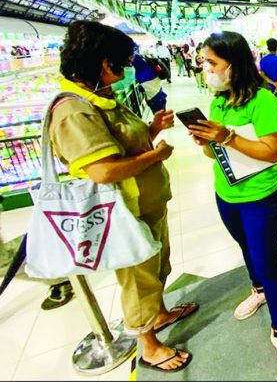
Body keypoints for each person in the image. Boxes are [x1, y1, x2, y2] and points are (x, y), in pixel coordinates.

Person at [50, 21, 196, 372]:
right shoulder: (73, 110)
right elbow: (103, 169)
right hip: (124, 214)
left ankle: (159, 314)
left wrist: (152, 129)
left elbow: (122, 140)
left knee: (156, 267)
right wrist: (155, 156)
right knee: (137, 279)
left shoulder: (102, 98)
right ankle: (148, 345)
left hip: (146, 206)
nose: (127, 69)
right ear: (103, 63)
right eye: (122, 63)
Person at [187, 31, 277, 377]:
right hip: (226, 194)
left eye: (212, 62)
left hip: (258, 197)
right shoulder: (219, 101)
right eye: (204, 61)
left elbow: (272, 151)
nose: (205, 68)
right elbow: (212, 153)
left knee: (266, 259)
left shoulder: (263, 101)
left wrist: (227, 136)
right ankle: (259, 291)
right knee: (246, 249)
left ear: (233, 65)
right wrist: (205, 141)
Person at [259, 38, 277, 112]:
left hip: (268, 92)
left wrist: (273, 83)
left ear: (268, 48)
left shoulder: (263, 60)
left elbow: (262, 75)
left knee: (271, 112)